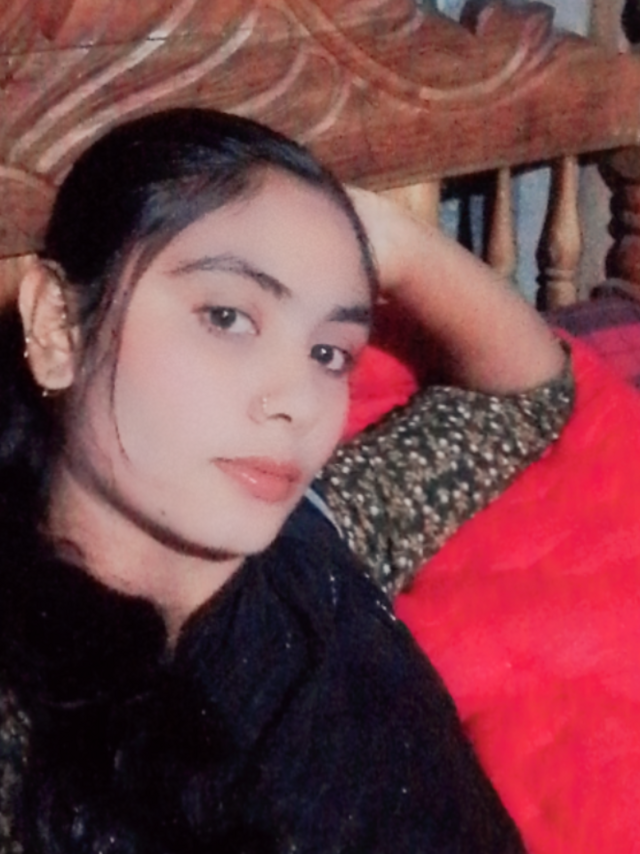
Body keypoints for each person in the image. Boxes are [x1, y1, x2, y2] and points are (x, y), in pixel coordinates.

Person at [0, 108, 570, 853]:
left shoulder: (324, 529)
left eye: (330, 352)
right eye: (227, 317)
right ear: (57, 326)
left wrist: (382, 237)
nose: (297, 401)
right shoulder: (21, 729)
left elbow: (527, 397)